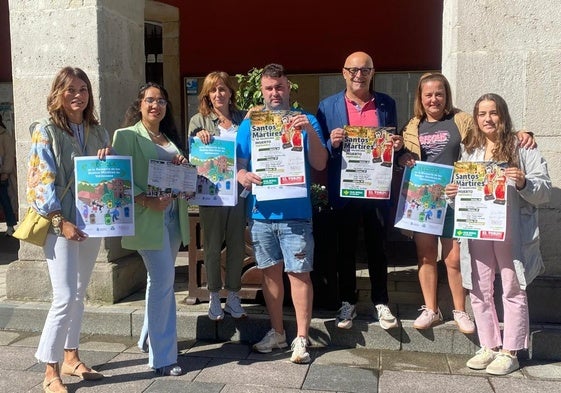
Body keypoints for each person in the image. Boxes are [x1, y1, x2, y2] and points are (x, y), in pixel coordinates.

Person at [399, 73, 535, 333]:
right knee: (425, 255)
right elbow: (401, 155)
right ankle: (431, 309)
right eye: (428, 95)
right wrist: (401, 157)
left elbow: (491, 131)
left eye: (439, 93)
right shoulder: (411, 126)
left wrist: (521, 133)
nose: (434, 99)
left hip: (455, 197)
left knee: (453, 259)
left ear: (446, 95)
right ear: (421, 98)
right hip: (424, 198)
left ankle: (460, 311)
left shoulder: (460, 120)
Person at [445, 93, 550, 375]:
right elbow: (460, 192)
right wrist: (452, 194)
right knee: (479, 288)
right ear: (476, 119)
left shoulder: (522, 147)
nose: (488, 119)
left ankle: (511, 350)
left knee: (513, 287)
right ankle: (488, 345)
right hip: (479, 229)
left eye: (493, 113)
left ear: (502, 116)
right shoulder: (470, 150)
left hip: (510, 230)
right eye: (482, 114)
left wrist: (524, 181)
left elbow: (544, 191)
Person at [27, 66, 111, 393]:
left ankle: (71, 357)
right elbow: (40, 182)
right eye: (71, 89)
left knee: (79, 293)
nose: (78, 96)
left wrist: (109, 158)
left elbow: (108, 178)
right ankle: (50, 370)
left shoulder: (99, 132)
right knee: (63, 296)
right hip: (59, 224)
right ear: (58, 92)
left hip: (91, 221)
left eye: (83, 90)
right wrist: (61, 222)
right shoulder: (46, 131)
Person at [236, 63, 327, 364]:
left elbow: (320, 162)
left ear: (288, 87)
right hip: (262, 213)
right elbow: (236, 163)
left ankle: (301, 338)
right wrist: (243, 175)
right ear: (261, 91)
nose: (274, 93)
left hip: (296, 214)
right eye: (268, 88)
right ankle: (277, 333)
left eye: (279, 87)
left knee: (299, 275)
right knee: (270, 277)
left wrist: (309, 132)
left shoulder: (307, 120)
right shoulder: (251, 123)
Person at [316, 51, 404, 330]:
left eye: (365, 70)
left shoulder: (386, 104)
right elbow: (320, 152)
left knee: (379, 247)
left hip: (376, 189)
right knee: (345, 249)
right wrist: (332, 142)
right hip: (345, 190)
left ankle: (381, 301)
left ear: (372, 72)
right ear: (343, 72)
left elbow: (392, 141)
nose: (359, 75)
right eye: (353, 70)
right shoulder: (327, 106)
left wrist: (397, 145)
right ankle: (347, 302)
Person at [112, 82, 190, 376]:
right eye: (149, 100)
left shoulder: (168, 139)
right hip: (147, 220)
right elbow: (116, 181)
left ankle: (148, 338)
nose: (155, 105)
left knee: (158, 282)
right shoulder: (127, 136)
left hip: (172, 220)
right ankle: (163, 357)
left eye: (161, 101)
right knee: (163, 284)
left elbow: (174, 177)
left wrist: (182, 165)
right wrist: (144, 199)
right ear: (140, 104)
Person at [188, 71, 248, 320]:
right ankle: (214, 296)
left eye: (222, 89)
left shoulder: (243, 118)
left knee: (236, 245)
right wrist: (198, 138)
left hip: (238, 193)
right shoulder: (199, 120)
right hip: (211, 194)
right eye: (213, 90)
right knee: (212, 247)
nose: (218, 94)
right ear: (207, 95)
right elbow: (192, 153)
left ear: (230, 92)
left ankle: (233, 296)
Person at [0, 114, 17, 236]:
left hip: (1, 173)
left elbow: (9, 155)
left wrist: (6, 171)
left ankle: (10, 225)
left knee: (5, 200)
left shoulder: (4, 135)